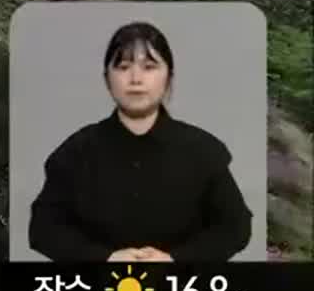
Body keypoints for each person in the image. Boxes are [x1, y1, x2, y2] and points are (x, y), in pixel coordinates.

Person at [27, 21, 252, 262]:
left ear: (169, 77)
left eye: (149, 67)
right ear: (107, 79)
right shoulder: (75, 152)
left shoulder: (204, 151)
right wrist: (106, 259)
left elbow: (235, 228)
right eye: (123, 67)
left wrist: (175, 260)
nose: (135, 79)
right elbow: (43, 230)